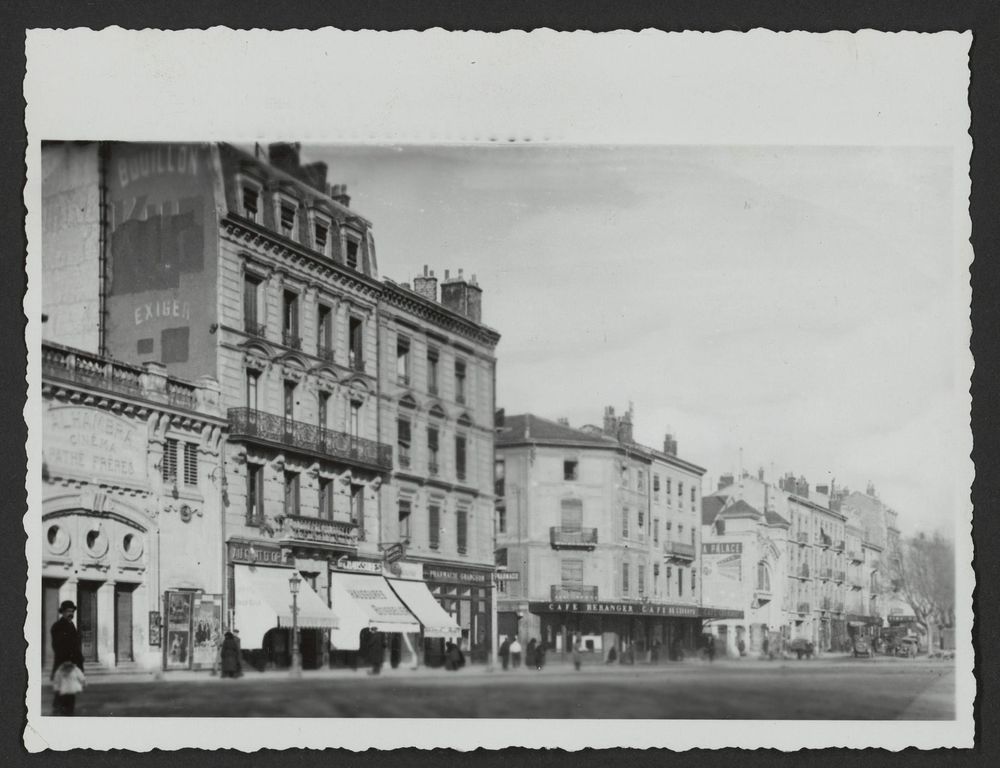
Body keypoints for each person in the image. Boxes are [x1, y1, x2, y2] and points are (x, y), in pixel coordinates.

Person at [50, 600, 84, 716]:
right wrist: (67, 662)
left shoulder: (71, 625)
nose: (71, 614)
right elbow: (58, 647)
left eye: (72, 611)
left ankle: (63, 714)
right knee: (63, 693)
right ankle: (60, 715)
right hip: (64, 665)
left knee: (69, 693)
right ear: (63, 612)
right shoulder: (58, 626)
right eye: (68, 611)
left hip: (72, 665)